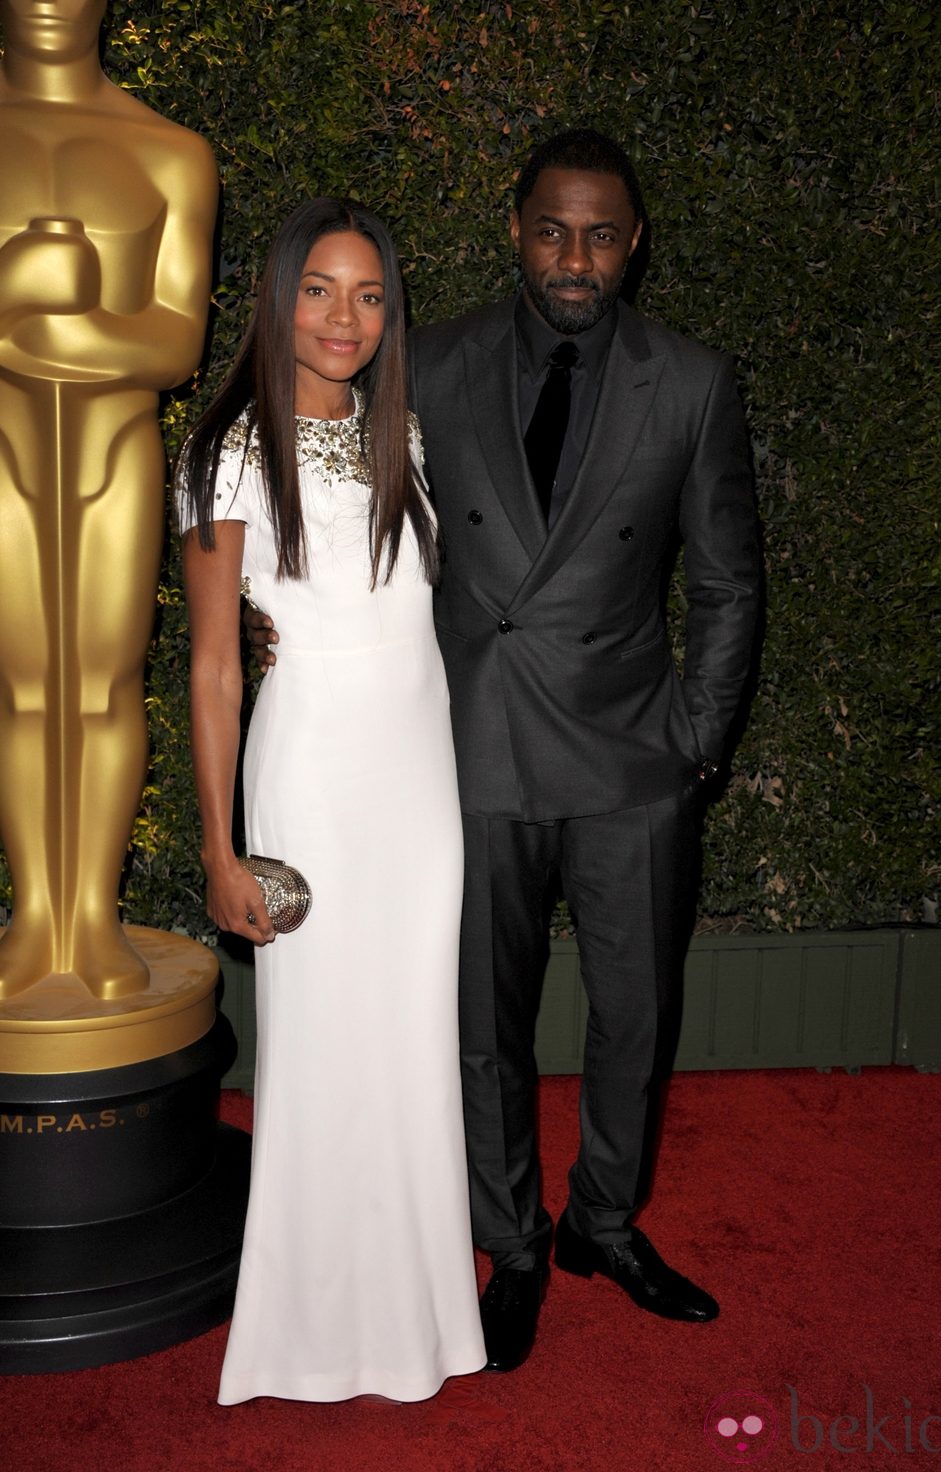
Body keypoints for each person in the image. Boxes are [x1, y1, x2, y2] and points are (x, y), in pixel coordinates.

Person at [248, 131, 761, 1373]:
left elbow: (728, 584)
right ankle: (513, 1242)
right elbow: (340, 504)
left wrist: (692, 742)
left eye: (599, 234)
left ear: (633, 243)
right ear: (515, 230)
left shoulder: (689, 382)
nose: (573, 256)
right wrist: (288, 617)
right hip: (469, 751)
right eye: (550, 229)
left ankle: (602, 1221)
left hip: (631, 755)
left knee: (633, 1014)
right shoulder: (435, 365)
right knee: (484, 1020)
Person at [178, 198, 486, 1403]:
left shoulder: (396, 436)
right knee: (314, 1056)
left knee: (408, 1048)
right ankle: (302, 1336)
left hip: (420, 787)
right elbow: (211, 663)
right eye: (317, 290)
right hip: (308, 777)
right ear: (276, 298)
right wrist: (220, 847)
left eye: (366, 294)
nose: (342, 317)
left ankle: (418, 1322)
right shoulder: (229, 450)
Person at [0, 0, 216, 998]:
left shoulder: (169, 154)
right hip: (6, 449)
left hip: (114, 449)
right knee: (21, 686)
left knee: (102, 682)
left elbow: (172, 345)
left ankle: (91, 912)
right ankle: (36, 913)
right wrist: (18, 281)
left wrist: (61, 325)